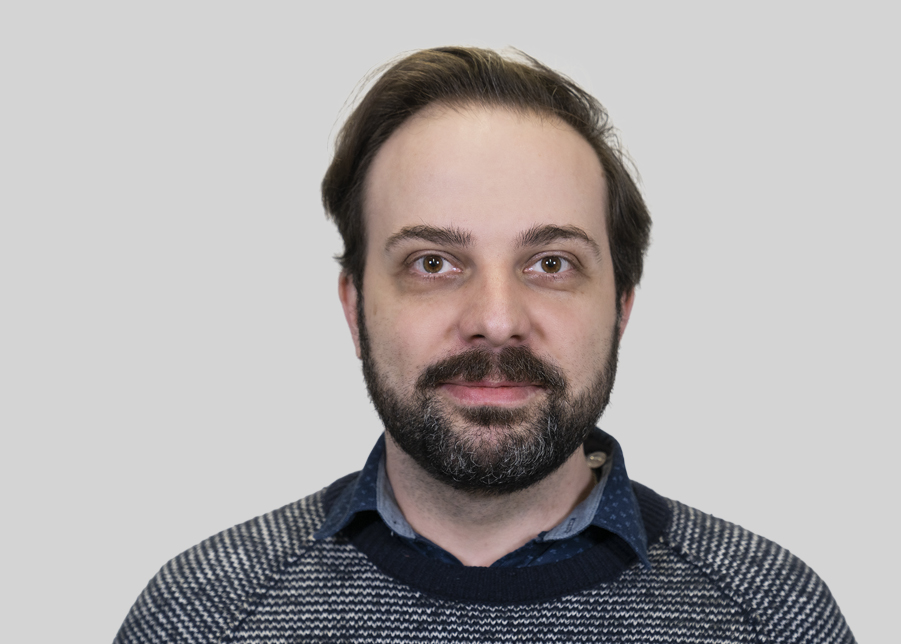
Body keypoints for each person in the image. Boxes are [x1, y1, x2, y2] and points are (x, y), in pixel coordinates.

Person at [116, 46, 855, 643]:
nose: (496, 320)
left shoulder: (772, 615)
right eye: (433, 264)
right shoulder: (201, 616)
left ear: (621, 308)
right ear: (354, 308)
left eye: (551, 264)